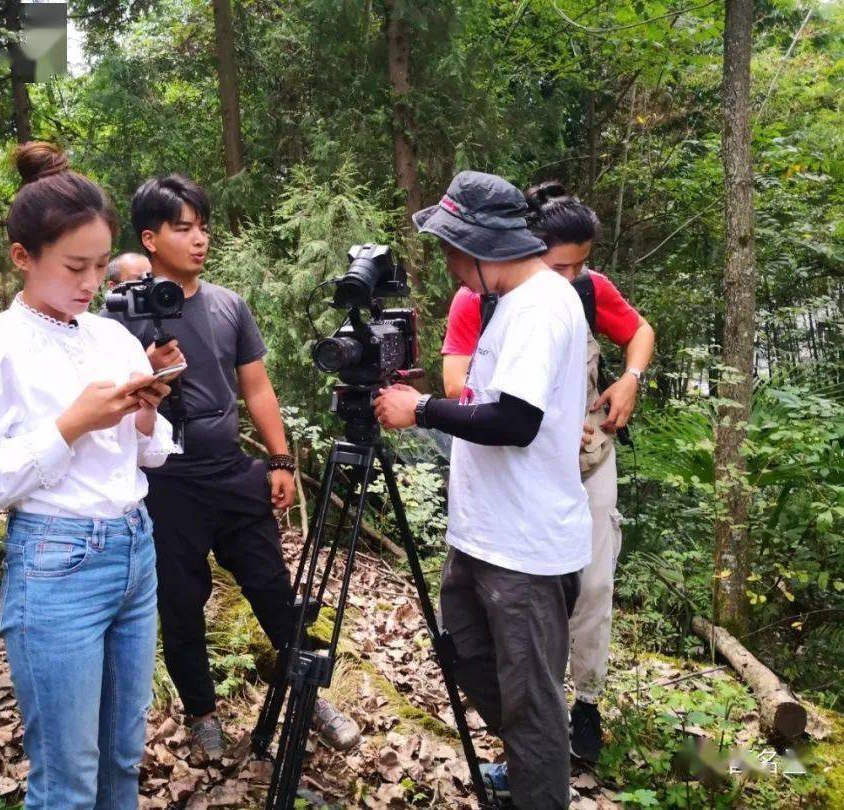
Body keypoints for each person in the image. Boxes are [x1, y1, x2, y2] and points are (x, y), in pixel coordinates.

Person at [0, 142, 179, 810]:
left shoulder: (112, 339)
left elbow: (151, 456)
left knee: (123, 762)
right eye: (75, 266)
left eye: (101, 265)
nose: (91, 283)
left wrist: (144, 414)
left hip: (136, 550)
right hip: (56, 562)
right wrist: (69, 425)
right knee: (67, 779)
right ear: (23, 257)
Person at [102, 174, 361, 759]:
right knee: (181, 601)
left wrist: (280, 459)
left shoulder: (227, 305)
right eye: (183, 228)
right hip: (166, 480)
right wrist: (147, 367)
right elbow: (111, 404)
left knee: (273, 587)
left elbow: (258, 388)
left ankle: (311, 696)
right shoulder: (122, 316)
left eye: (203, 227)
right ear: (150, 238)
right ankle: (202, 713)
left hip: (230, 467)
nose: (199, 239)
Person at [374, 171, 590, 809]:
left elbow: (516, 422)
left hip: (525, 548)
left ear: (481, 245)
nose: (448, 263)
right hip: (485, 534)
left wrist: (423, 410)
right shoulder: (511, 305)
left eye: (450, 249)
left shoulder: (542, 308)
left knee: (532, 701)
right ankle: (530, 762)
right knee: (464, 651)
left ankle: (538, 779)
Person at [441, 180, 655, 762]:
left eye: (581, 265)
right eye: (561, 264)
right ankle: (537, 731)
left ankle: (584, 705)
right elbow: (460, 387)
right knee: (511, 617)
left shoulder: (583, 290)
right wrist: (551, 418)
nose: (571, 277)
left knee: (594, 586)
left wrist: (628, 381)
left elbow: (639, 331)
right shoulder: (478, 296)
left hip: (587, 462)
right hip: (520, 483)